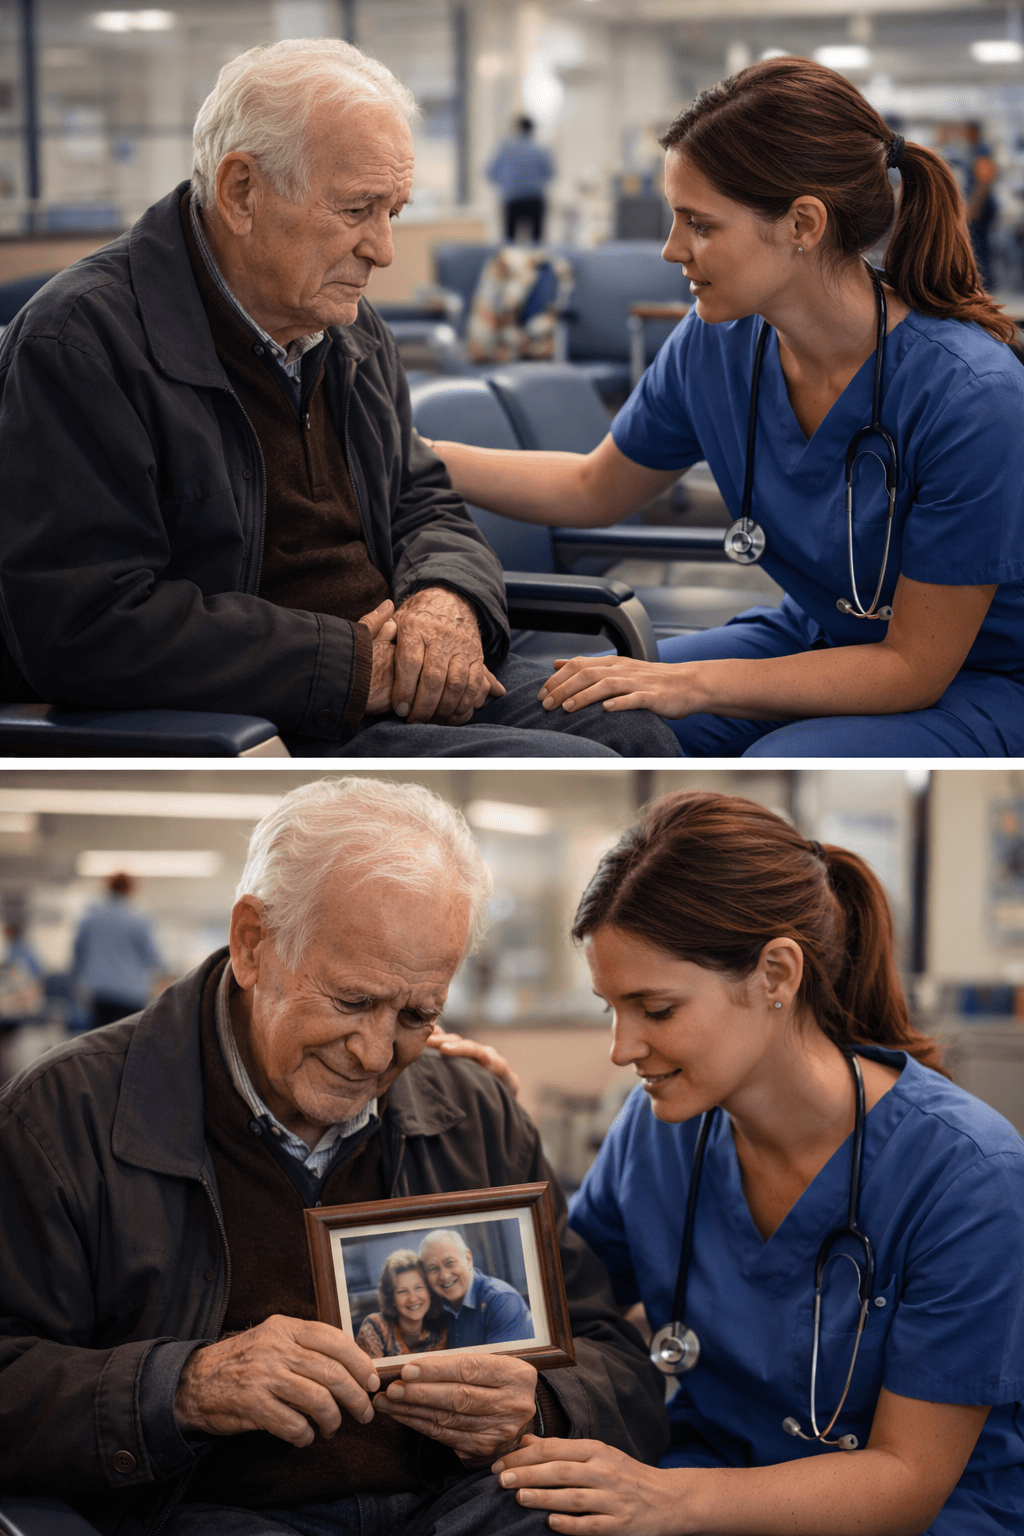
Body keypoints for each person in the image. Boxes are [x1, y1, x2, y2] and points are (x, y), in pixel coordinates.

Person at [0, 777, 668, 1536]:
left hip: (464, 1504)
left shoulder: (473, 1109)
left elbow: (615, 1357)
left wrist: (542, 1405)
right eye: (352, 1000)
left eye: (417, 1014)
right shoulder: (63, 1118)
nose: (376, 1053)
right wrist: (181, 1388)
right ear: (254, 944)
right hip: (224, 1513)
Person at [0, 42, 679, 762]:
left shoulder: (347, 331)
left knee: (635, 731)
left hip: (385, 676)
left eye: (394, 211)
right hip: (261, 716)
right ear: (240, 192)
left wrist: (446, 598)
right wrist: (360, 666)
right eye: (358, 209)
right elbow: (84, 624)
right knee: (582, 764)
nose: (384, 250)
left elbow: (423, 498)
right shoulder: (80, 344)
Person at [426, 58, 1024, 759]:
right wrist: (414, 456)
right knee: (570, 710)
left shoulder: (972, 397)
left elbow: (912, 667)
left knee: (779, 762)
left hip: (978, 678)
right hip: (821, 638)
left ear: (802, 223)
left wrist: (698, 685)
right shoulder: (716, 345)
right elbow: (593, 487)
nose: (671, 248)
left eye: (700, 224)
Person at [486, 789, 1024, 1535]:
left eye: (656, 1009)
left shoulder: (968, 1176)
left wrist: (669, 1502)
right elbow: (559, 1305)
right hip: (700, 1481)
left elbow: (906, 1481)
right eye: (611, 1008)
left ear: (776, 974)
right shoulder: (658, 1131)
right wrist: (477, 1107)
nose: (621, 1048)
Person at [72, 872, 169, 1028]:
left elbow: (78, 954)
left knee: (97, 1043)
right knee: (125, 1045)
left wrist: (74, 986)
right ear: (131, 889)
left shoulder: (91, 919)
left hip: (100, 993)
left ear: (107, 887)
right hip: (130, 995)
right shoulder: (139, 920)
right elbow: (153, 957)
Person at [419, 1229, 534, 1346]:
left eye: (449, 1263)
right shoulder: (435, 1307)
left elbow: (501, 1363)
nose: (444, 1275)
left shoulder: (502, 1301)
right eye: (433, 1268)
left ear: (468, 1259)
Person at [356, 1251, 448, 1358]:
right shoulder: (375, 1326)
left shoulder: (442, 1330)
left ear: (429, 1291)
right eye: (402, 1291)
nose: (413, 1299)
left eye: (418, 1288)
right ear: (392, 1297)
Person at [487, 118, 555, 244]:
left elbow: (490, 173)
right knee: (537, 242)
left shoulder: (505, 149)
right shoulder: (540, 149)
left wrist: (505, 185)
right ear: (532, 129)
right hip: (535, 199)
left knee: (509, 241)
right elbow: (551, 174)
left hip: (512, 199)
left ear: (517, 128)